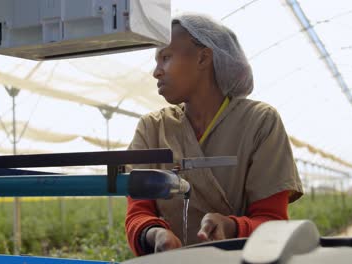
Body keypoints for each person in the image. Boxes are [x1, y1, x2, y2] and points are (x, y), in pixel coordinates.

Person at [125, 13, 303, 256]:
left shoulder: (260, 122)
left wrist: (232, 227)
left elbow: (272, 222)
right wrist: (153, 233)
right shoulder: (152, 127)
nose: (156, 72)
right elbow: (138, 212)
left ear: (203, 57)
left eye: (166, 57)